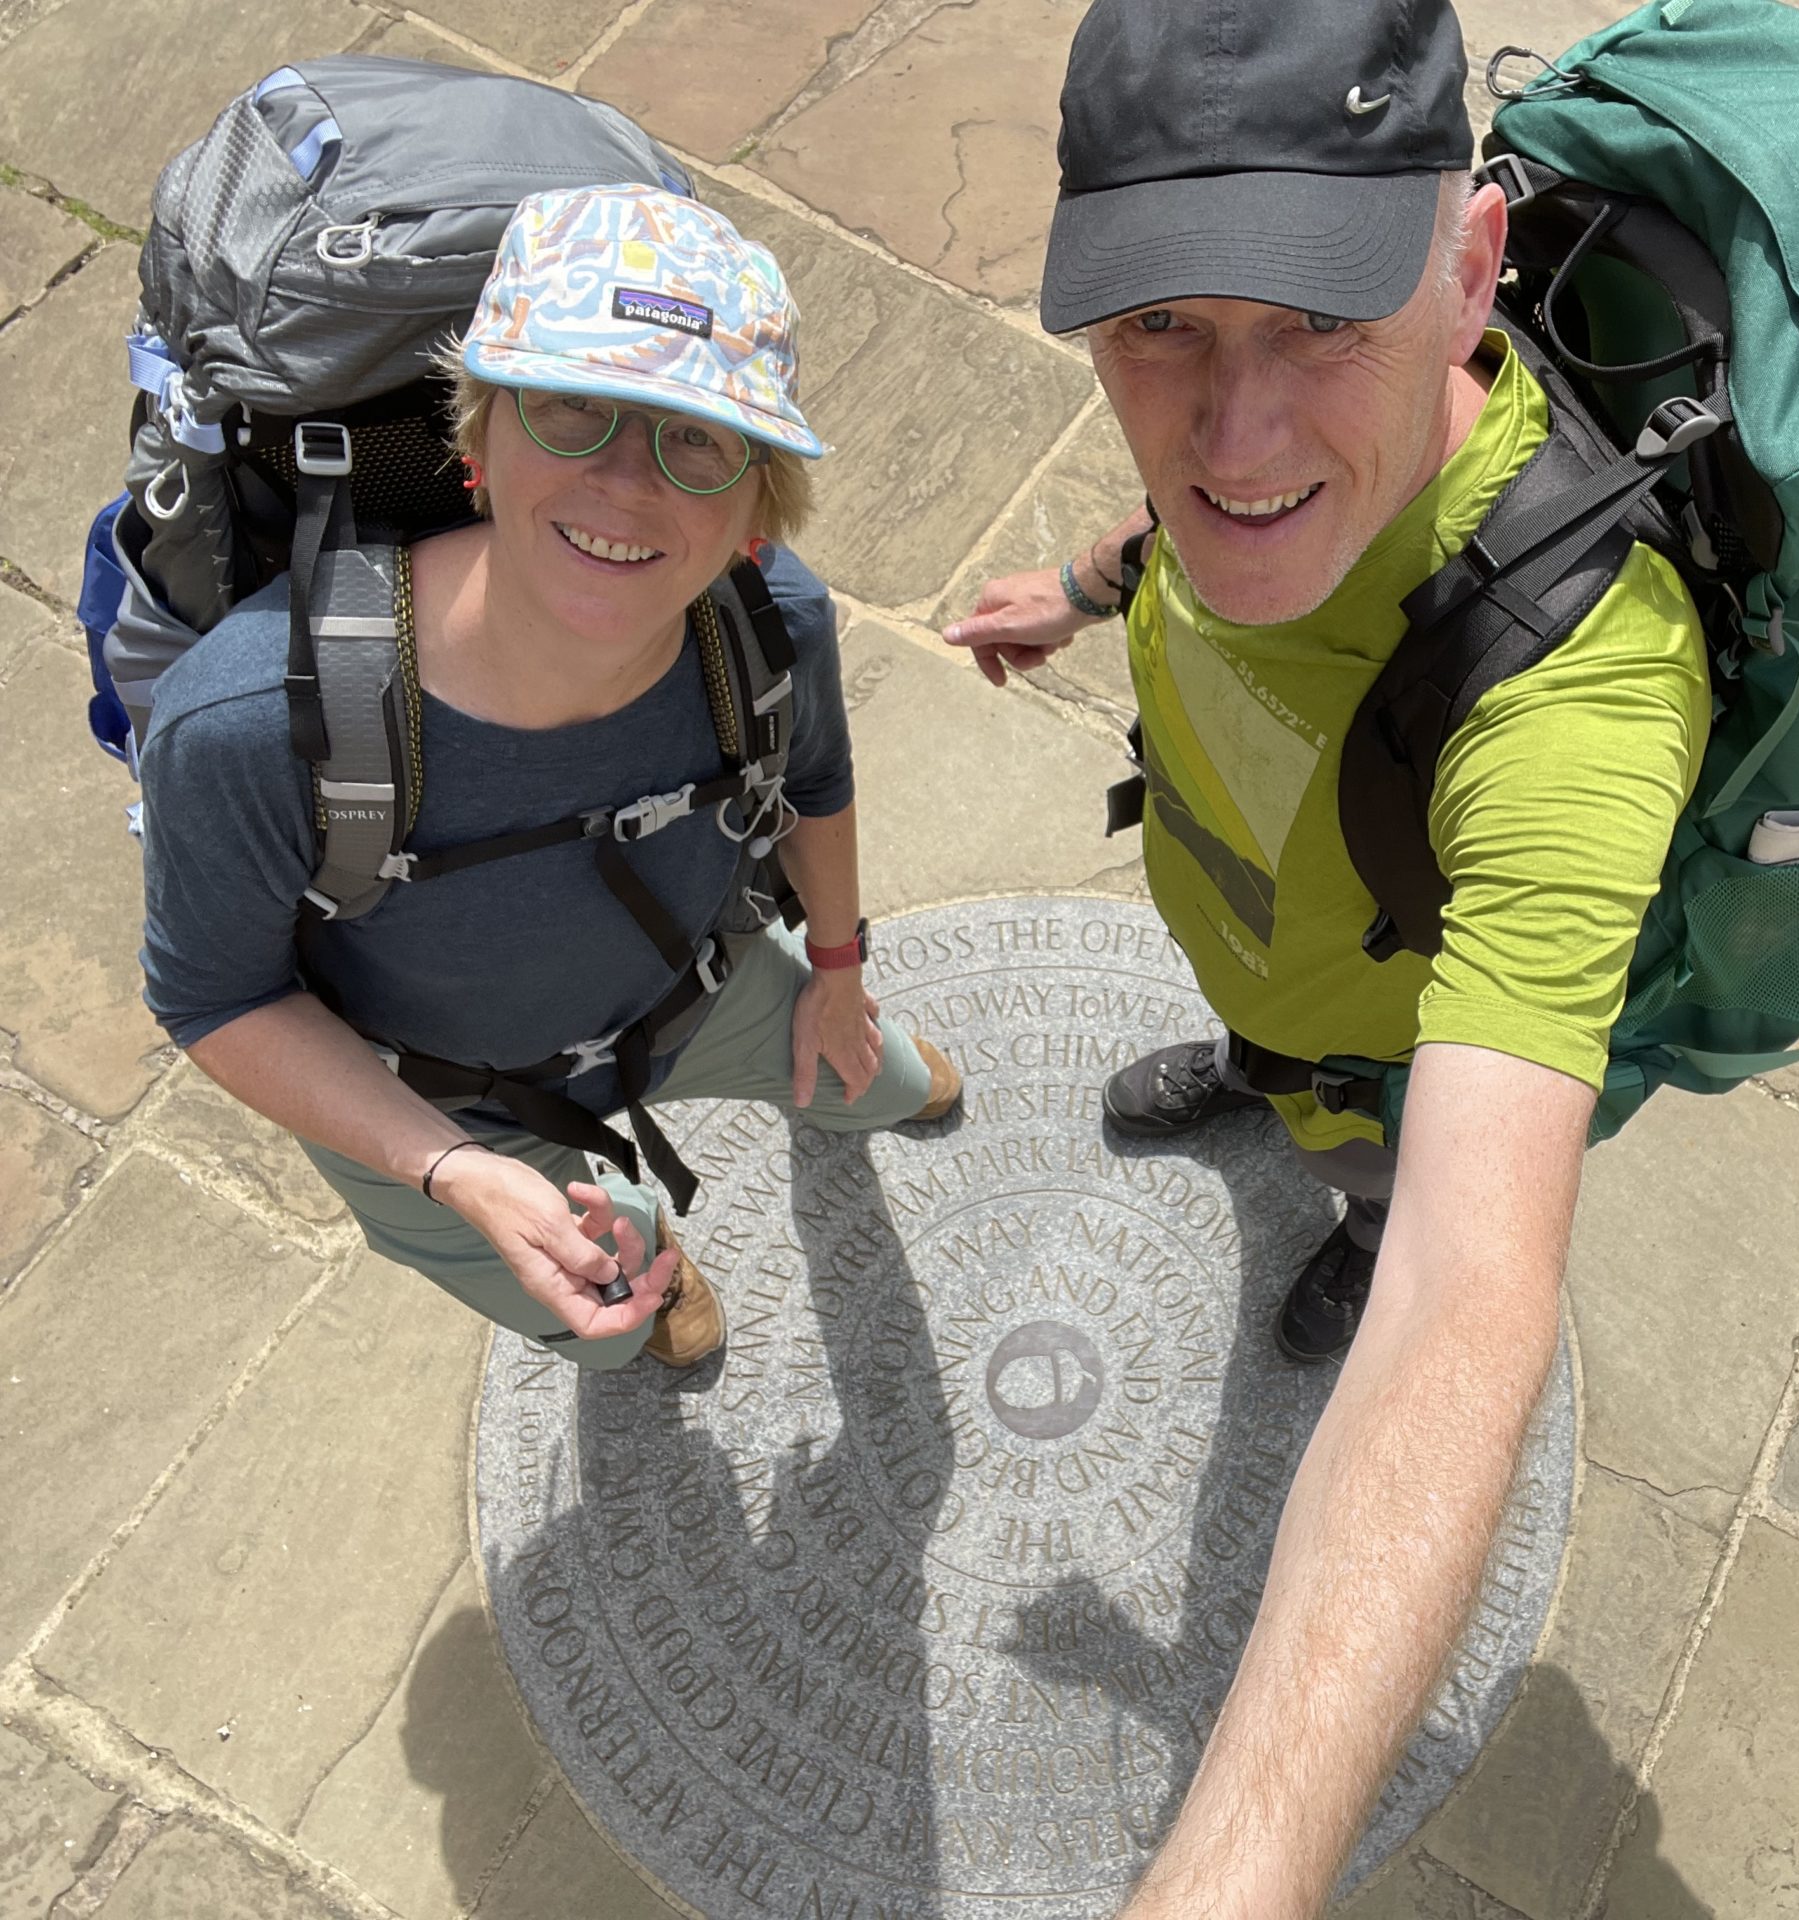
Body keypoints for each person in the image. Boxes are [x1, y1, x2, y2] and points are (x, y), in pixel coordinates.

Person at [943, 0, 1709, 1908]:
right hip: (1258, 946)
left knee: (1384, 1205)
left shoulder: (1584, 695)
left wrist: (1239, 1874)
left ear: (1470, 269)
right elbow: (1210, 520)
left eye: (1319, 323)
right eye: (1158, 328)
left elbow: (1481, 1289)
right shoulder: (1242, 469)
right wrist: (1089, 585)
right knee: (1264, 1043)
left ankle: (1332, 1203)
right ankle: (1258, 1075)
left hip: (1388, 1050)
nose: (1236, 430)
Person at [140, 186, 959, 1372]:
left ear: (753, 511)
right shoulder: (253, 725)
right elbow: (216, 998)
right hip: (433, 1109)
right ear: (478, 441)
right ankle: (644, 1275)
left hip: (705, 989)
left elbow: (815, 784)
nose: (626, 482)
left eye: (696, 436)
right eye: (573, 408)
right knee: (607, 1306)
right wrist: (453, 1173)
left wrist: (837, 969)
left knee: (872, 1072)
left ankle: (870, 1085)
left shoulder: (769, 624)